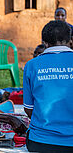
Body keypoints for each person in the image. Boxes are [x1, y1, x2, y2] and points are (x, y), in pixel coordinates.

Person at [23, 20, 73, 152]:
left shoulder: (31, 65)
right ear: (70, 40)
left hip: (40, 142)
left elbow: (28, 109)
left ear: (44, 42)